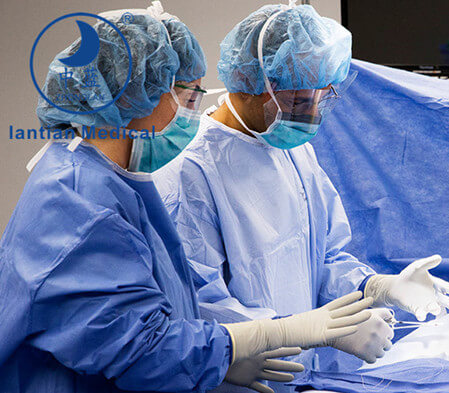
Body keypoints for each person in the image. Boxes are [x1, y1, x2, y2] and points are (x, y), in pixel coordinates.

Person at [0, 5, 372, 393]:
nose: (192, 116)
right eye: (188, 97)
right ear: (137, 95)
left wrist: (219, 358)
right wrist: (257, 339)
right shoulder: (82, 206)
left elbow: (165, 313)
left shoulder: (115, 181)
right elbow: (143, 349)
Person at [152, 3, 449, 387]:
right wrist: (310, 331)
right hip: (245, 376)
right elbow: (202, 305)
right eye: (300, 102)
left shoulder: (288, 145)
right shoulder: (192, 170)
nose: (312, 115)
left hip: (305, 373)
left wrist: (376, 288)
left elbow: (323, 256)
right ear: (249, 85)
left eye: (321, 99)